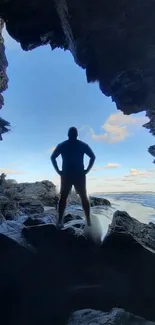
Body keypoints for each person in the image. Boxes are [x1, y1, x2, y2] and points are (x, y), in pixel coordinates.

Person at [51, 127, 96, 229]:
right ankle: (87, 220)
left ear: (69, 134)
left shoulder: (62, 145)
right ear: (76, 135)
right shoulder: (82, 145)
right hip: (77, 174)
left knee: (65, 197)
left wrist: (58, 171)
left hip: (68, 174)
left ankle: (61, 221)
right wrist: (87, 170)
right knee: (80, 197)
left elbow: (53, 157)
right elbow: (93, 157)